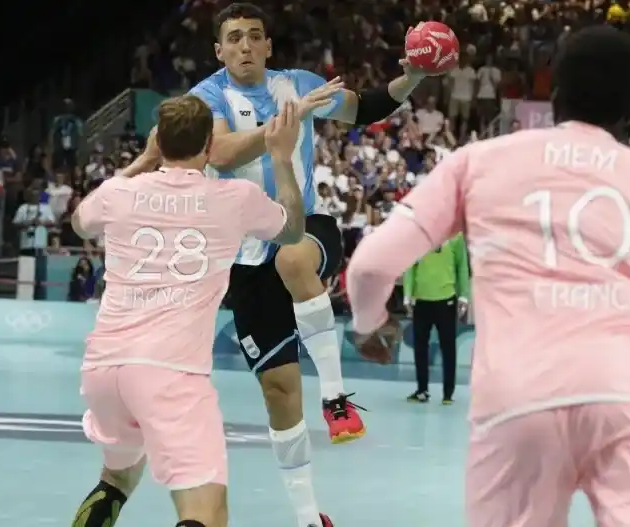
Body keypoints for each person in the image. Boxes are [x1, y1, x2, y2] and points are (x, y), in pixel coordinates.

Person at [345, 26, 630, 527]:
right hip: (627, 396)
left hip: (514, 400)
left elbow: (371, 265)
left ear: (555, 93)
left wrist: (369, 325)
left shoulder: (475, 163)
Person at [121, 4, 444, 526]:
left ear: (268, 46)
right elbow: (222, 153)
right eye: (235, 38)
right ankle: (309, 517)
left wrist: (412, 77)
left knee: (293, 256)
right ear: (219, 51)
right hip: (245, 259)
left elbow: (365, 107)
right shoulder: (206, 97)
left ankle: (336, 398)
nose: (245, 45)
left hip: (304, 226)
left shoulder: (297, 84)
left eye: (255, 36)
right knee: (280, 394)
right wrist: (285, 122)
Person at [68, 95, 310, 527]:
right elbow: (292, 230)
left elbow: (79, 222)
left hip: (103, 370)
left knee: (117, 477)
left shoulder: (119, 192)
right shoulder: (235, 198)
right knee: (205, 511)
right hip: (171, 372)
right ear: (209, 147)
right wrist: (280, 157)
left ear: (159, 141)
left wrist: (143, 161)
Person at [402, 233, 470, 404]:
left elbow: (462, 266)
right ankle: (422, 390)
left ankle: (448, 393)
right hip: (421, 300)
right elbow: (410, 266)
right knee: (420, 348)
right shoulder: (417, 235)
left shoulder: (456, 236)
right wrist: (407, 295)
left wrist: (464, 295)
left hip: (446, 299)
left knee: (448, 348)